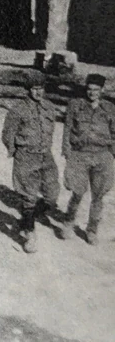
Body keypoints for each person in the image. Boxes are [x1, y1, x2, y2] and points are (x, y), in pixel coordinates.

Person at [1, 72, 59, 253]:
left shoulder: (49, 107)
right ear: (28, 90)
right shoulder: (18, 109)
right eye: (34, 89)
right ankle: (29, 231)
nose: (38, 92)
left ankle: (28, 218)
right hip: (26, 156)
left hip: (45, 156)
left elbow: (50, 131)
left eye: (41, 88)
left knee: (52, 196)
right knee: (29, 197)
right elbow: (7, 133)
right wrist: (14, 151)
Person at [60, 73, 115, 245]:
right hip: (80, 154)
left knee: (98, 196)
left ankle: (92, 230)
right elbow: (67, 129)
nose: (92, 93)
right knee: (77, 191)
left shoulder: (109, 108)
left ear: (102, 90)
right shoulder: (75, 105)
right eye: (89, 89)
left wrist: (111, 153)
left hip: (102, 155)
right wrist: (67, 152)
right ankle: (69, 222)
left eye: (96, 90)